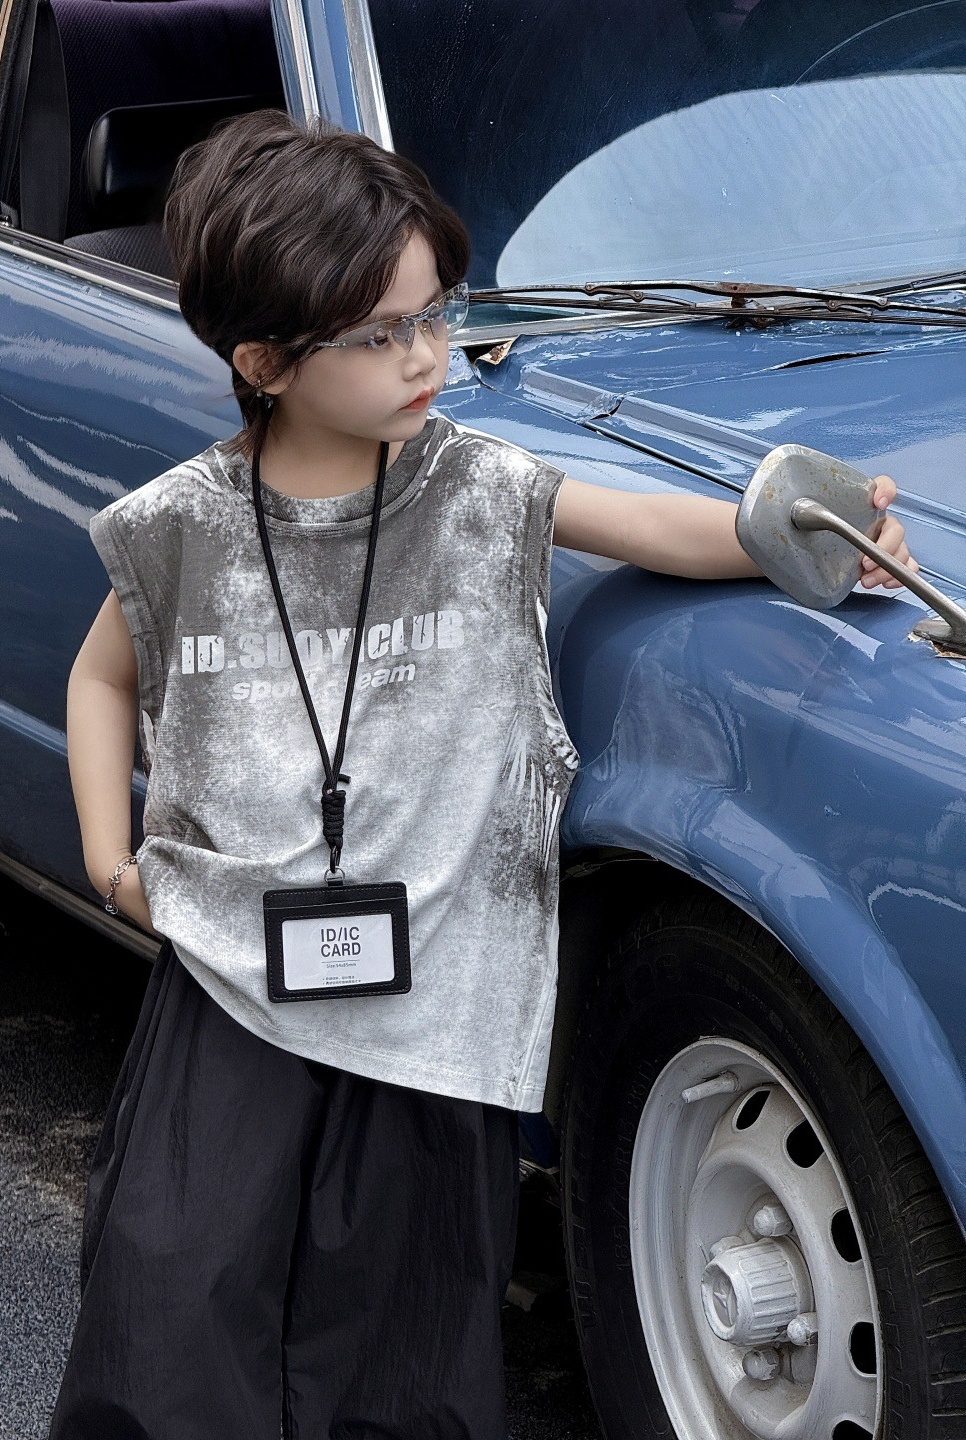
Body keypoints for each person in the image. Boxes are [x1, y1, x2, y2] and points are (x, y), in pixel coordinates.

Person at [53, 108, 917, 1440]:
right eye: (380, 333)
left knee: (400, 1337)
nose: (426, 355)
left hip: (438, 995)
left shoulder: (481, 490)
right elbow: (102, 677)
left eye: (434, 315)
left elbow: (650, 524)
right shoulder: (183, 528)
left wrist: (805, 532)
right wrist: (111, 862)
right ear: (265, 362)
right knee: (175, 1299)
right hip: (231, 978)